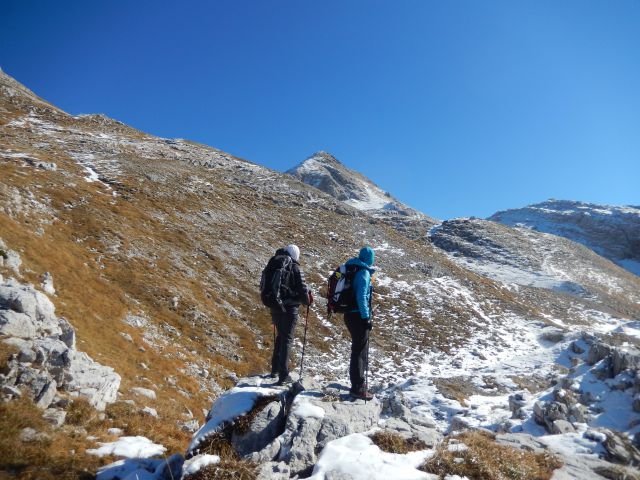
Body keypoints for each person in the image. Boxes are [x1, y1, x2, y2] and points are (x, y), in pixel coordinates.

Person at [267, 244, 313, 386]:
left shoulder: (276, 263)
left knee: (281, 336)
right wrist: (307, 301)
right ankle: (283, 375)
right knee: (287, 339)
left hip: (275, 306)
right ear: (296, 255)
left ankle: (274, 369)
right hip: (289, 308)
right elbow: (303, 290)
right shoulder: (294, 267)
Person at [344, 246, 375, 400]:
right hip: (357, 316)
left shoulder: (353, 269)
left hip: (349, 315)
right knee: (360, 351)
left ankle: (357, 384)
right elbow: (361, 296)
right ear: (369, 258)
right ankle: (358, 387)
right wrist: (366, 317)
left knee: (358, 349)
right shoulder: (363, 272)